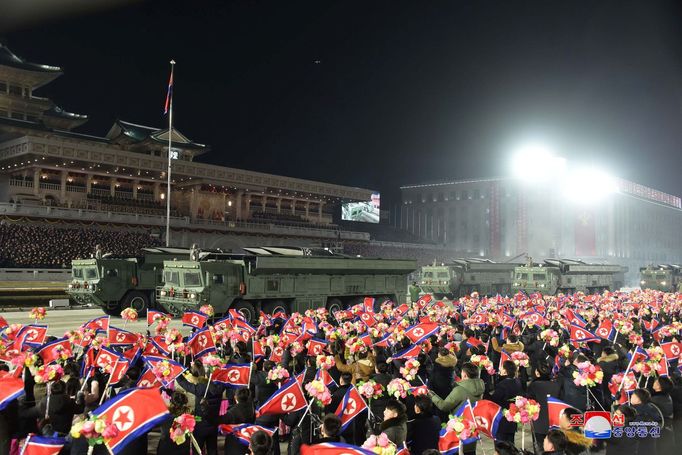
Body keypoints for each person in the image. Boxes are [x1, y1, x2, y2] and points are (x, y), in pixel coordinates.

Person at [526, 362, 561, 448]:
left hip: (539, 423)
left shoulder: (534, 385)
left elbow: (528, 401)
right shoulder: (556, 385)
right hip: (554, 422)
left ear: (537, 373)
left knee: (541, 447)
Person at [489, 360, 522, 443]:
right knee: (510, 445)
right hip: (512, 419)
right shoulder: (517, 382)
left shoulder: (502, 384)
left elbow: (494, 400)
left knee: (501, 446)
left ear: (506, 371)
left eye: (502, 367)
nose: (500, 368)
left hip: (502, 419)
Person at [630, 388, 662, 455]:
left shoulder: (639, 413)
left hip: (640, 449)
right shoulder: (650, 408)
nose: (631, 396)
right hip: (650, 448)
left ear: (639, 400)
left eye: (633, 395)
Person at [650, 376, 675, 454]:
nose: (654, 382)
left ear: (659, 386)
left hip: (660, 434)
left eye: (656, 381)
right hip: (668, 431)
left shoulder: (655, 400)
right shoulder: (667, 396)